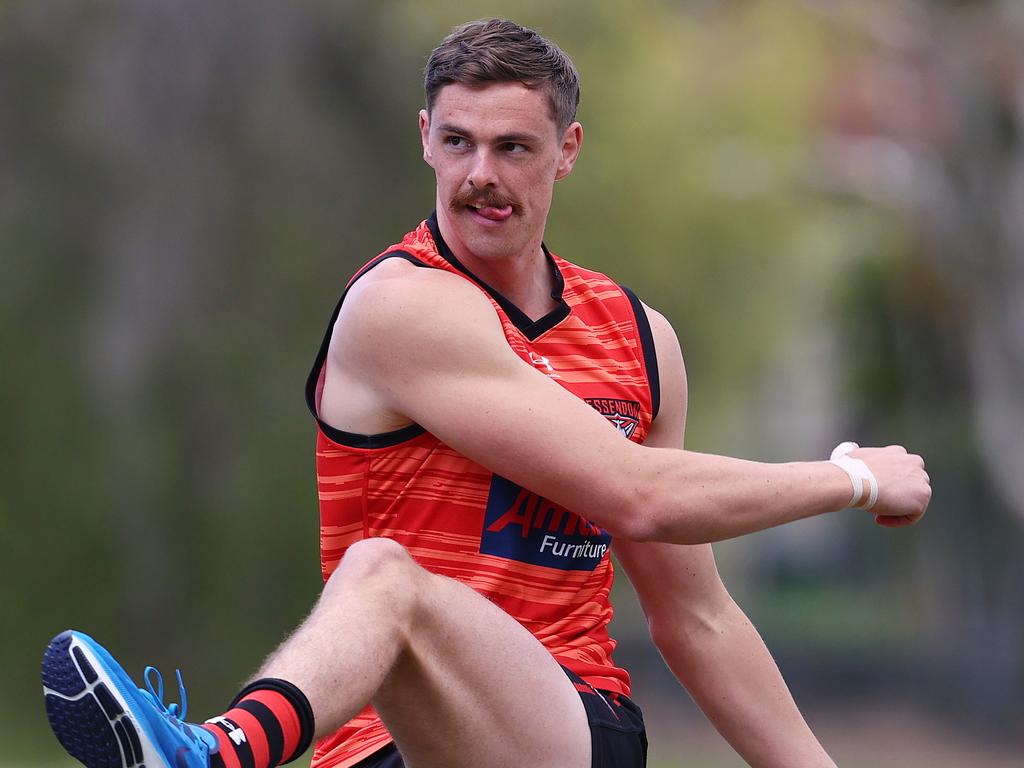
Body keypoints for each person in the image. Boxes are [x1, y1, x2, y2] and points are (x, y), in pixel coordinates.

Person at [41, 18, 931, 768]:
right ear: (423, 136)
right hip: (382, 751)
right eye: (458, 142)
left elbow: (694, 613)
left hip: (566, 728)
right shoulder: (400, 308)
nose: (480, 176)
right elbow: (641, 492)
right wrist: (851, 477)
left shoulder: (637, 338)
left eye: (513, 148)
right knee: (386, 580)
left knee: (387, 578)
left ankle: (215, 754)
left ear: (566, 152)